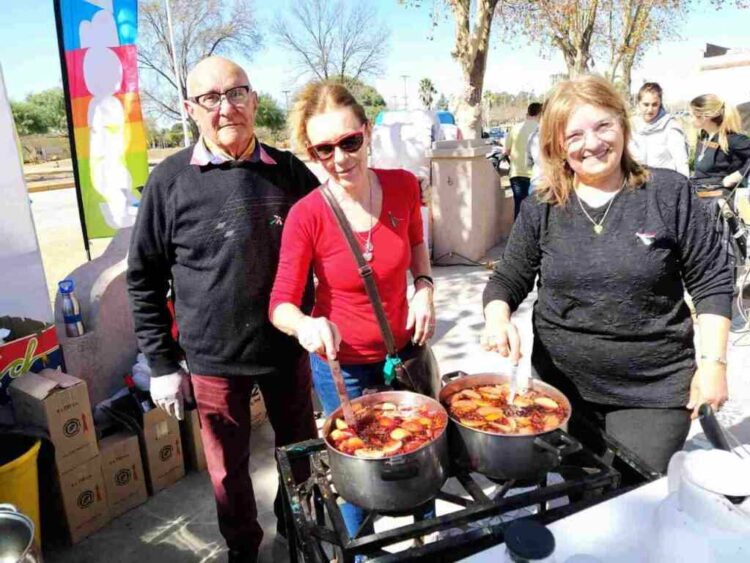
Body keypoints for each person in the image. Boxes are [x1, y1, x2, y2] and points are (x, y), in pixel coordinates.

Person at [481, 75, 733, 475]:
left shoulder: (668, 193)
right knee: (579, 503)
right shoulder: (542, 206)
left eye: (602, 126)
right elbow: (509, 276)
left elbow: (712, 280)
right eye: (575, 134)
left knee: (633, 502)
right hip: (560, 391)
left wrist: (714, 364)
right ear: (558, 146)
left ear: (622, 124)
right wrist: (498, 318)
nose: (593, 144)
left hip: (653, 391)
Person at [126, 56, 320, 563]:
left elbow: (332, 243)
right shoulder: (168, 182)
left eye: (236, 93)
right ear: (191, 109)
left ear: (254, 100)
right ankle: (243, 550)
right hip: (212, 360)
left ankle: (297, 535)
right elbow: (143, 278)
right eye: (210, 98)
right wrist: (164, 363)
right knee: (227, 474)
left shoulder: (290, 172)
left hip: (287, 348)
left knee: (299, 457)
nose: (226, 107)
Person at [269, 81, 436, 537]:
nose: (340, 158)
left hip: (405, 355)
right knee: (360, 481)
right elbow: (280, 304)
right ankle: (359, 550)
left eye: (349, 141)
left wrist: (423, 286)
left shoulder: (403, 187)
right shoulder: (307, 214)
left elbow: (417, 243)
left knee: (420, 461)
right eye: (324, 149)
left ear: (367, 132)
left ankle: (426, 542)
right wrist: (304, 324)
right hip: (342, 370)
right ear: (312, 153)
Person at [690, 94, 750, 189]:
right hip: (699, 196)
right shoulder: (704, 136)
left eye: (693, 115)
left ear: (705, 116)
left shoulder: (732, 139)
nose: (691, 119)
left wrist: (739, 175)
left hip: (721, 198)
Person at [629, 82, 689, 177]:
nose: (650, 109)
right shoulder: (631, 126)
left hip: (665, 184)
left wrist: (685, 187)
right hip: (638, 183)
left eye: (654, 105)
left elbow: (681, 162)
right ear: (639, 103)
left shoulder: (671, 127)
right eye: (646, 104)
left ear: (660, 104)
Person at [505, 102, 543, 218]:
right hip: (536, 176)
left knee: (519, 207)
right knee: (536, 211)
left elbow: (506, 150)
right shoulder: (541, 129)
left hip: (516, 174)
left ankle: (518, 235)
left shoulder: (515, 128)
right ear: (540, 113)